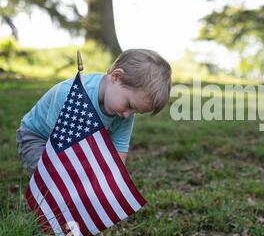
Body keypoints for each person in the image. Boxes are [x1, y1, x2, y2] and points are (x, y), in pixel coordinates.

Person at [16, 48, 172, 177]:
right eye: (129, 105)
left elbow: (118, 152)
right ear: (116, 77)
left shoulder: (124, 113)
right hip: (39, 138)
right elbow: (57, 146)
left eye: (135, 112)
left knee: (90, 180)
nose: (127, 115)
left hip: (85, 145)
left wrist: (113, 183)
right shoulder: (71, 94)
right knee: (53, 177)